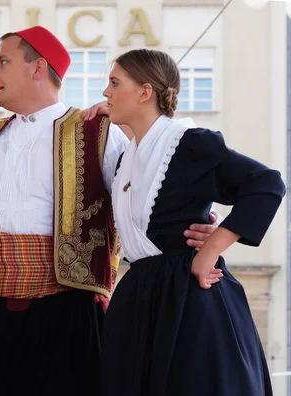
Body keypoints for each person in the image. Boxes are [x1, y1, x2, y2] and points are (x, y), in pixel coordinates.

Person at [0, 26, 216, 395]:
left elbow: (152, 183)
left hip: (69, 302)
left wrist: (201, 222)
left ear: (38, 68)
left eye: (3, 62)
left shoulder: (98, 130)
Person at [100, 48, 284, 396]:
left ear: (145, 92)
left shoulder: (189, 144)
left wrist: (211, 249)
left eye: (114, 82)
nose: (106, 92)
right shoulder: (127, 155)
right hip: (140, 293)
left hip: (187, 295)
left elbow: (266, 183)